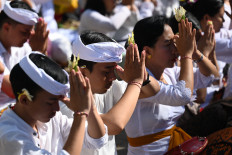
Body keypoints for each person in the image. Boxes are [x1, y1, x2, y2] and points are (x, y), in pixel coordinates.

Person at [124, 16, 219, 155]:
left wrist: (194, 52)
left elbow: (213, 76)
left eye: (175, 42)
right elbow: (183, 95)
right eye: (168, 44)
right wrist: (186, 55)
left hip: (175, 148)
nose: (175, 49)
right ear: (148, 51)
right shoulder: (140, 78)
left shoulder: (169, 72)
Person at [59, 31, 163, 155]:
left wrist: (143, 78)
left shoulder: (108, 88)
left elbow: (153, 90)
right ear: (83, 72)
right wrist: (135, 82)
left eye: (114, 70)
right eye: (106, 71)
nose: (113, 77)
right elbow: (115, 124)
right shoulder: (66, 102)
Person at [0, 52, 108, 155]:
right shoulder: (9, 135)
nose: (57, 108)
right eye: (50, 102)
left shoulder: (52, 119)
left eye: (58, 100)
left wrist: (89, 106)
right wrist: (80, 114)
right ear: (24, 100)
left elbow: (97, 139)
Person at [0, 0, 48, 110]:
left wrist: (41, 54)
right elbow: (18, 92)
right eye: (24, 32)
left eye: (31, 32)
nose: (29, 37)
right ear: (6, 27)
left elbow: (43, 84)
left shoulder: (24, 47)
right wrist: (38, 54)